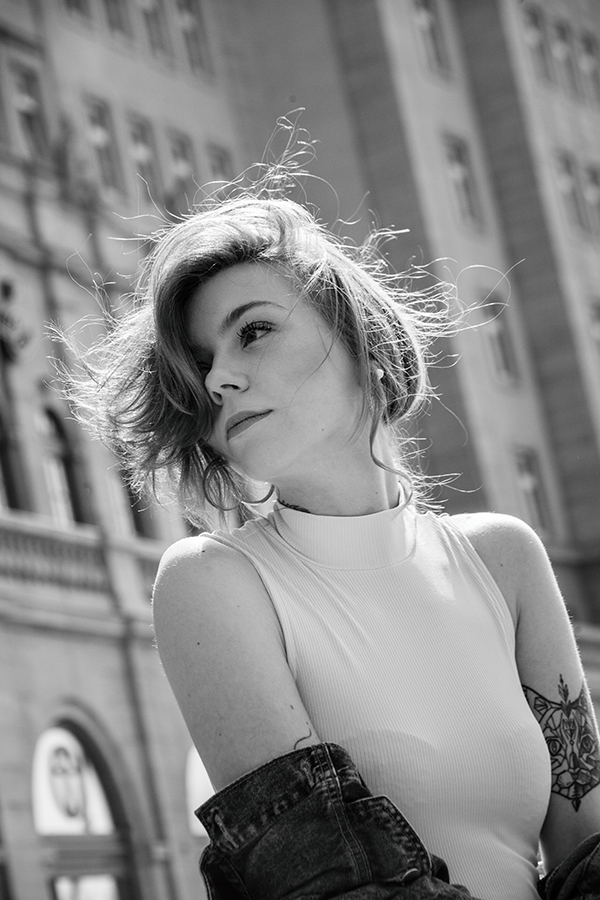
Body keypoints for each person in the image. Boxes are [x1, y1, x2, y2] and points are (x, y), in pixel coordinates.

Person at [65, 177, 600, 900]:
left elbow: (587, 852)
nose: (218, 378)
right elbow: (335, 886)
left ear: (362, 340)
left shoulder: (505, 558)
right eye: (201, 362)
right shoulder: (213, 584)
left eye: (254, 331)